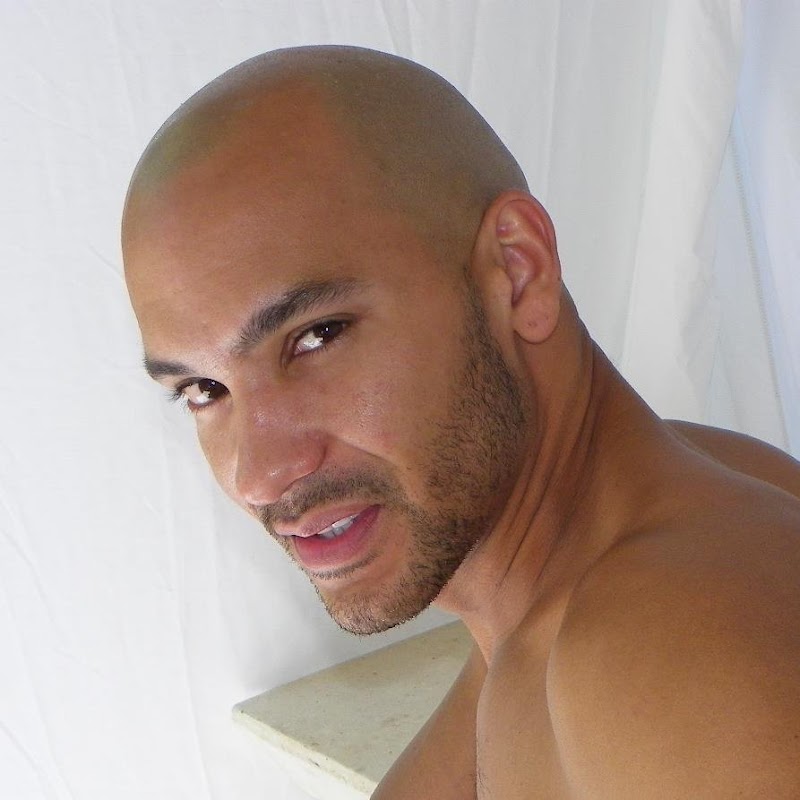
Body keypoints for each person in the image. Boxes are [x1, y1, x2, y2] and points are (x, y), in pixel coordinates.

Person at [122, 45, 800, 798]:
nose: (259, 474)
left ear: (518, 270)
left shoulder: (672, 644)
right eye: (204, 389)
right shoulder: (542, 592)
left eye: (316, 336)